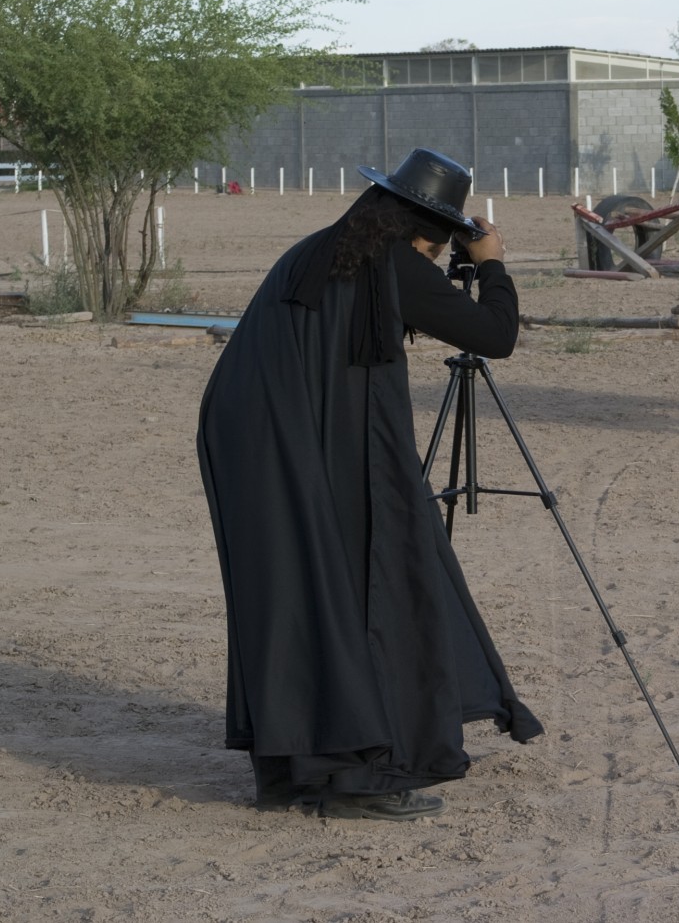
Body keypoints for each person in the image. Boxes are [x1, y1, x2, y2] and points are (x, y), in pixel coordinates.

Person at [196, 148, 543, 821]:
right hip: (301, 441)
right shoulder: (398, 266)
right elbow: (494, 336)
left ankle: (292, 768)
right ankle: (361, 774)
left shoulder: (322, 251)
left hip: (250, 434)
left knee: (297, 597)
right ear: (429, 232)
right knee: (368, 581)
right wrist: (493, 262)